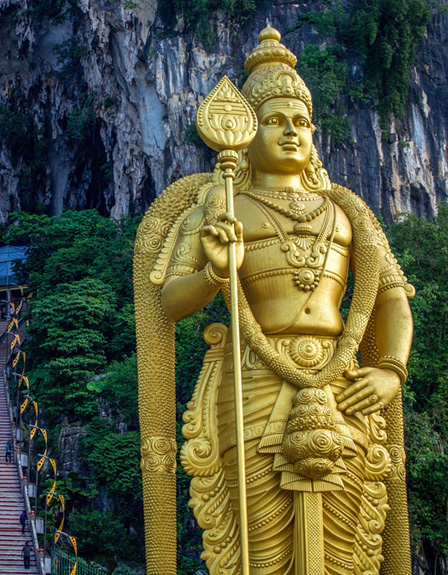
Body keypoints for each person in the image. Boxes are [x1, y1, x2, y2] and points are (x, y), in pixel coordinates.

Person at [136, 27, 415, 575]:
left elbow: (392, 298)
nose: (291, 132)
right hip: (252, 382)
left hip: (342, 385)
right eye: (275, 120)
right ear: (245, 131)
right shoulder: (220, 207)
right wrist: (218, 272)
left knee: (349, 546)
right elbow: (167, 302)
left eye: (301, 122)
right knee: (256, 552)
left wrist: (393, 371)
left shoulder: (349, 211)